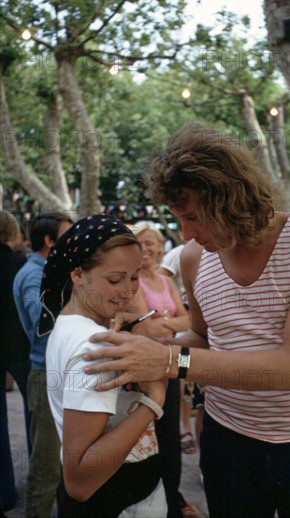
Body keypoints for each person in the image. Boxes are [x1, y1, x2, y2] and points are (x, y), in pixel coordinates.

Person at [83, 123, 290, 518]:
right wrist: (143, 348)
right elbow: (206, 338)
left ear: (233, 197)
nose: (186, 233)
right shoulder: (195, 258)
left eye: (194, 216)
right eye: (178, 218)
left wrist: (166, 361)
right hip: (226, 442)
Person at [38, 214, 167, 517]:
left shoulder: (72, 324)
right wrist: (153, 402)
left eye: (135, 276)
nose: (129, 290)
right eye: (115, 279)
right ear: (78, 274)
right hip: (118, 498)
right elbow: (80, 480)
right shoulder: (95, 345)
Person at [133, 221, 199, 518]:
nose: (146, 248)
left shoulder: (165, 280)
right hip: (148, 369)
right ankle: (158, 500)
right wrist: (166, 324)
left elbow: (188, 322)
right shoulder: (133, 281)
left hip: (174, 361)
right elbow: (145, 329)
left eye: (151, 243)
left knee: (171, 431)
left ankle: (173, 497)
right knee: (152, 436)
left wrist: (165, 324)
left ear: (160, 247)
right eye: (140, 243)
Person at [13, 211, 73, 517]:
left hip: (59, 374)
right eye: (67, 234)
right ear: (50, 240)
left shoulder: (49, 270)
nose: (74, 241)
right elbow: (42, 323)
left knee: (61, 466)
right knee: (46, 467)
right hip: (48, 376)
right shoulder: (35, 275)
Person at [158, 241, 205, 455]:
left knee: (202, 391)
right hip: (185, 339)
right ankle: (184, 427)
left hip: (206, 340)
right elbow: (161, 279)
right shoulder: (180, 254)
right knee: (185, 380)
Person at [0, 210, 31, 512]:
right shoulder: (24, 265)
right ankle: (39, 485)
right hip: (22, 349)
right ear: (13, 234)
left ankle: (3, 494)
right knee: (35, 418)